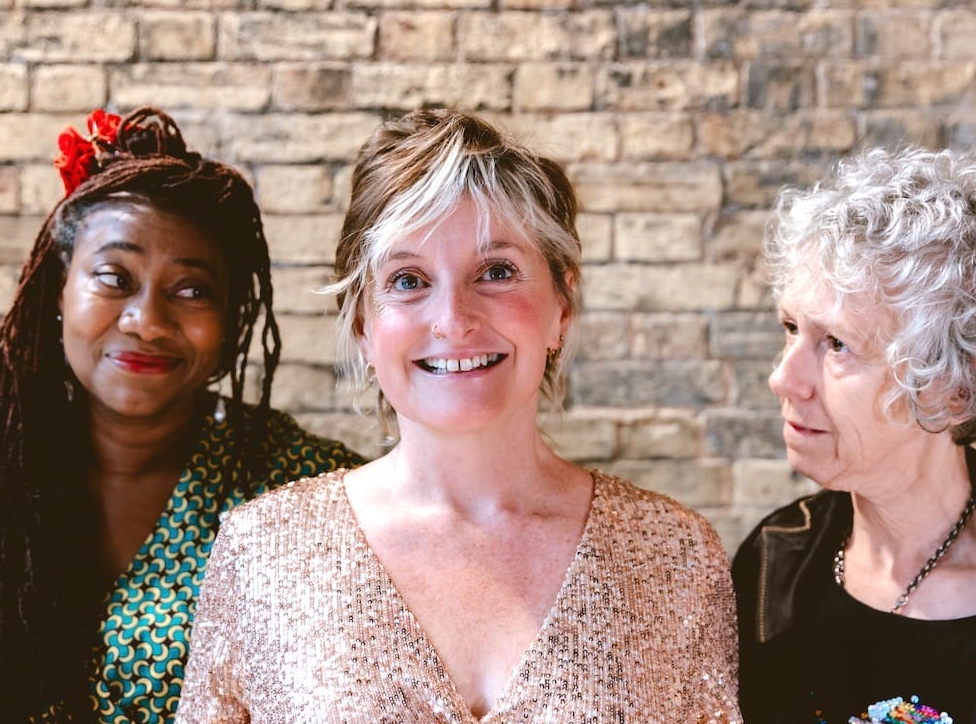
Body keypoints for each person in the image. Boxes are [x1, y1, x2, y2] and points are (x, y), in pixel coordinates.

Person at [175, 108, 741, 723]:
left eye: (496, 271)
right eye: (409, 279)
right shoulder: (263, 554)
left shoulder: (674, 556)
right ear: (364, 325)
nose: (453, 318)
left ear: (561, 306)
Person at [0, 107, 359, 723]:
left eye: (192, 289)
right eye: (113, 278)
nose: (147, 322)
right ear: (57, 292)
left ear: (232, 323)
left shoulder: (311, 498)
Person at [732, 147, 976, 724]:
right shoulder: (773, 563)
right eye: (790, 327)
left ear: (956, 388)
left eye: (836, 344)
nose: (783, 377)